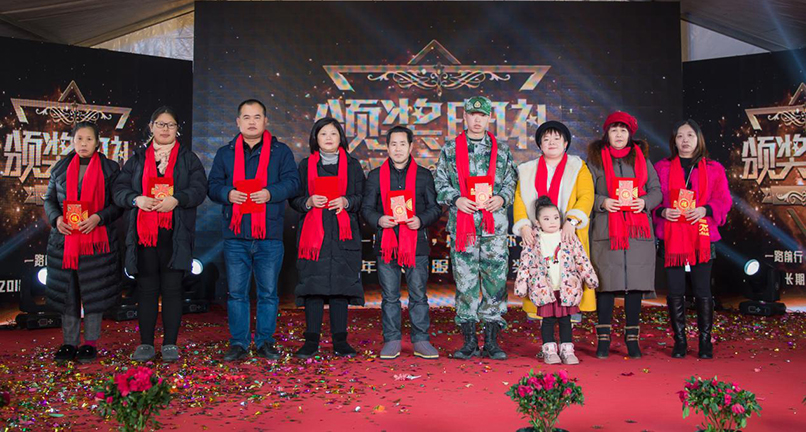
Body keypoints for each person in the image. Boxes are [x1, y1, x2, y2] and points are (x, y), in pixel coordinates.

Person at [208, 99, 300, 361]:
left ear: (265, 121)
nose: (251, 122)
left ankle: (265, 342)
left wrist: (270, 193)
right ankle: (238, 343)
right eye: (246, 117)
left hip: (269, 234)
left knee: (268, 293)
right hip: (236, 235)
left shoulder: (280, 152)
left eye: (257, 117)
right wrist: (228, 194)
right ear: (238, 122)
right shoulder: (225, 153)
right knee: (237, 293)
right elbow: (212, 186)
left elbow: (293, 183)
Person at [113, 106, 208, 362]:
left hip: (175, 236)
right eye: (160, 124)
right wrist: (137, 200)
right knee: (146, 290)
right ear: (151, 127)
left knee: (172, 290)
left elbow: (200, 189)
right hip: (144, 237)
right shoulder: (137, 159)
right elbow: (119, 191)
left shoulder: (188, 159)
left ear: (177, 129)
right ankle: (145, 343)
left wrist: (177, 199)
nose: (165, 129)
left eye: (171, 125)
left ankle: (169, 344)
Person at [434, 96, 517, 360]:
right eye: (472, 114)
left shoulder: (501, 150)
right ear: (465, 117)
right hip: (464, 226)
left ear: (489, 118)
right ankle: (469, 341)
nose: (477, 119)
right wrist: (456, 199)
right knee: (465, 283)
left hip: (494, 228)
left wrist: (501, 198)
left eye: (482, 115)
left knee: (495, 283)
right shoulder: (450, 149)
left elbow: (511, 181)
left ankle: (491, 341)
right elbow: (440, 182)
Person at [44, 122, 123, 363]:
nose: (83, 144)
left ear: (97, 143)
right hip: (65, 242)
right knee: (69, 294)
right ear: (72, 142)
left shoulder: (110, 169)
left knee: (93, 293)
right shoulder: (60, 168)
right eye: (79, 139)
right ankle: (69, 343)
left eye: (89, 139)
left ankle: (89, 343)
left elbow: (118, 204)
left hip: (96, 243)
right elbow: (49, 200)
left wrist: (99, 217)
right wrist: (56, 219)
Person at [652, 119, 732, 359]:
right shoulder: (662, 167)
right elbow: (652, 198)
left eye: (690, 135)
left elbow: (724, 200)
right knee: (675, 289)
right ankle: (680, 341)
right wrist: (662, 212)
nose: (685, 140)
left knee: (702, 289)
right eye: (680, 136)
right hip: (672, 234)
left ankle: (705, 341)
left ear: (699, 139)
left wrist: (705, 209)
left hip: (701, 234)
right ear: (674, 141)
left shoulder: (714, 168)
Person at [361, 125, 442, 360]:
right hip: (386, 243)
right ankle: (392, 340)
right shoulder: (375, 176)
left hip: (416, 243)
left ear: (410, 146)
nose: (398, 149)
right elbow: (366, 208)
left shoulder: (424, 175)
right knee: (390, 296)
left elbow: (435, 208)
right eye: (393, 144)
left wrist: (421, 220)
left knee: (418, 294)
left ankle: (421, 340)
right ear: (387, 147)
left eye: (402, 144)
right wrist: (379, 220)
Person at [587, 111, 661, 359]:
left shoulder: (642, 159)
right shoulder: (595, 161)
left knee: (635, 286)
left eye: (623, 130)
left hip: (637, 230)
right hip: (607, 229)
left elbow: (656, 190)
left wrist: (645, 202)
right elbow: (585, 193)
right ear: (606, 134)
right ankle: (603, 340)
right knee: (606, 286)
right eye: (614, 130)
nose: (618, 135)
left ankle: (632, 340)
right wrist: (603, 201)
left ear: (630, 134)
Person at [290, 117, 365, 359]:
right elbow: (294, 199)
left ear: (340, 137)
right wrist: (309, 201)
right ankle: (311, 342)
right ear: (316, 138)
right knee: (313, 287)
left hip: (343, 234)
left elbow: (362, 197)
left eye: (333, 133)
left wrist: (346, 201)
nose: (329, 138)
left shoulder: (353, 165)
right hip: (314, 237)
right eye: (323, 134)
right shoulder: (305, 165)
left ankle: (340, 342)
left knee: (340, 289)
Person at [512, 121, 596, 322]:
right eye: (546, 139)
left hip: (567, 231)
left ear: (565, 143)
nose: (551, 143)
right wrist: (524, 226)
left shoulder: (578, 167)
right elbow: (519, 200)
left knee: (569, 269)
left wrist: (572, 221)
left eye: (557, 139)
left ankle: (572, 307)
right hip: (538, 233)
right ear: (540, 145)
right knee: (539, 268)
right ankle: (539, 308)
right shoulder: (526, 170)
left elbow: (586, 196)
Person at [515, 197, 598, 365]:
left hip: (566, 288)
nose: (552, 222)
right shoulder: (533, 240)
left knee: (566, 320)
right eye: (546, 219)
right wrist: (521, 285)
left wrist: (590, 277)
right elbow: (525, 264)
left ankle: (567, 350)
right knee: (548, 321)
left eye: (555, 218)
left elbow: (581, 258)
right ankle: (549, 350)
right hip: (544, 289)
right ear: (537, 222)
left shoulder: (568, 236)